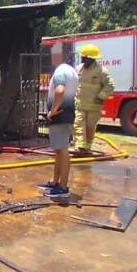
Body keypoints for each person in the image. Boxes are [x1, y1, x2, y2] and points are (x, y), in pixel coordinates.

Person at [39, 57, 78, 198]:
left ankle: (62, 187)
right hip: (67, 114)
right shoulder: (72, 71)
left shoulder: (60, 71)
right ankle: (55, 181)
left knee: (62, 150)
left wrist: (53, 110)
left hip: (60, 115)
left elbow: (60, 90)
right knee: (59, 150)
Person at [74, 44, 115, 154]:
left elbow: (110, 86)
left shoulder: (102, 71)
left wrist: (101, 96)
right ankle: (79, 147)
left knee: (90, 127)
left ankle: (87, 148)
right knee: (77, 125)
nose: (82, 59)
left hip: (94, 106)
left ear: (90, 58)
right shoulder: (78, 69)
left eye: (84, 57)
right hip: (80, 105)